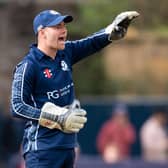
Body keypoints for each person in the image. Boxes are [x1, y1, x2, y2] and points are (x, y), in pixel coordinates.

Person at [10, 9, 139, 168]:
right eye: (57, 27)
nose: (64, 30)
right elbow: (17, 107)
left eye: (64, 26)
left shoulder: (65, 53)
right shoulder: (28, 66)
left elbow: (90, 42)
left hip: (68, 147)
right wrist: (57, 117)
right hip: (42, 150)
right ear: (42, 33)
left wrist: (110, 32)